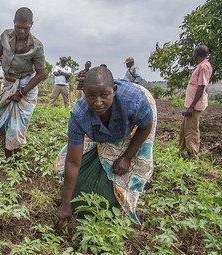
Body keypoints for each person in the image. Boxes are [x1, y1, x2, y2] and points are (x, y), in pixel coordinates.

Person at [56, 66, 157, 224]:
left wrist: (127, 157)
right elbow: (73, 162)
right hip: (107, 127)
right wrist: (65, 204)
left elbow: (145, 127)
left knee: (128, 165)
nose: (97, 103)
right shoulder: (79, 115)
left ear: (114, 90)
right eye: (91, 96)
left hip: (143, 110)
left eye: (104, 95)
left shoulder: (134, 102)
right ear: (84, 93)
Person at [0, 7, 46, 158]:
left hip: (26, 86)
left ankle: (14, 158)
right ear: (14, 23)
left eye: (25, 28)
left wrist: (21, 92)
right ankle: (9, 151)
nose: (21, 31)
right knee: (2, 119)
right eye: (18, 27)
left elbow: (41, 74)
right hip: (8, 83)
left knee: (17, 126)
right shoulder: (5, 37)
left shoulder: (37, 46)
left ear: (31, 25)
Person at [179, 45, 212, 157]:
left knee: (191, 130)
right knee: (184, 128)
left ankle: (192, 154)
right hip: (192, 104)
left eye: (194, 52)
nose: (193, 54)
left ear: (196, 54)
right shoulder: (202, 66)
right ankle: (181, 151)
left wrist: (191, 107)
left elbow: (201, 87)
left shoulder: (203, 67)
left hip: (195, 105)